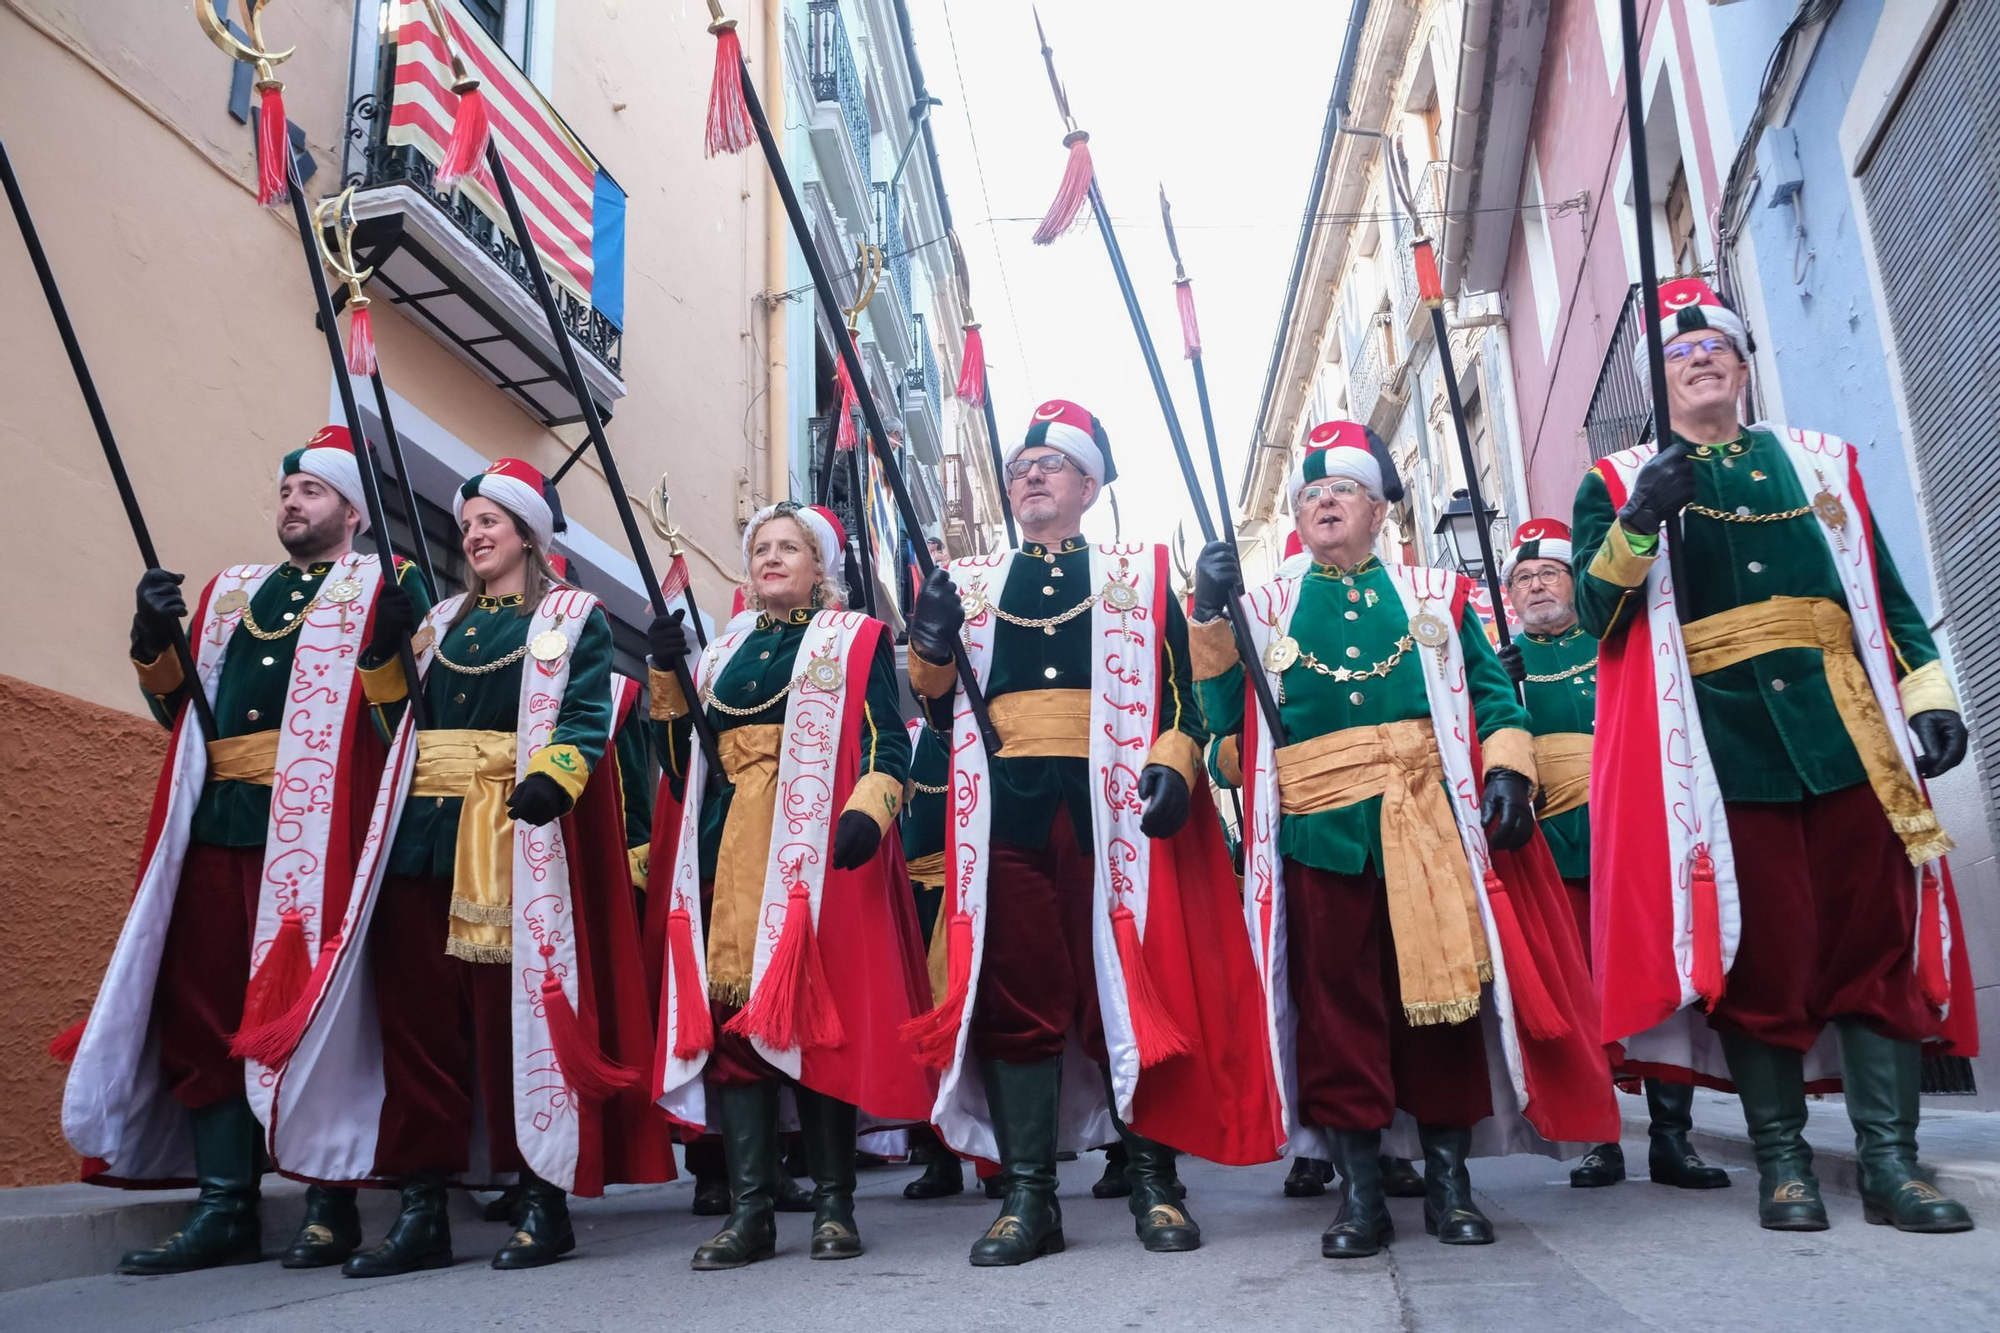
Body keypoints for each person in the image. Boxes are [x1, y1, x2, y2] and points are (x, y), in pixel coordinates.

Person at [1571, 279, 1977, 1233]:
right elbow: (1597, 614)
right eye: (1678, 353)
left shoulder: (1822, 464)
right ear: (1658, 382)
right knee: (1764, 955)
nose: (1699, 358)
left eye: (1715, 345)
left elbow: (1883, 592)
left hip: (1849, 739)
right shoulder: (1622, 477)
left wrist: (1928, 692)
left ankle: (1892, 1164)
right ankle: (1783, 1164)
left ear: (1743, 366)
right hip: (1723, 747)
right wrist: (1638, 524)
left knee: (1874, 947)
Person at [1192, 420, 1617, 1260]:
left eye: (1340, 490)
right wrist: (1209, 614)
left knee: (1444, 1003)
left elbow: (1496, 698)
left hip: (1429, 824)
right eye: (1310, 494)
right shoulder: (1263, 604)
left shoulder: (1435, 595)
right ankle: (1359, 1192)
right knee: (1338, 1013)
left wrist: (1508, 774)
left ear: (1380, 508)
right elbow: (1222, 732)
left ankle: (1451, 1182)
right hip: (1319, 836)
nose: (1322, 503)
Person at [258, 457, 671, 1274]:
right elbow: (390, 716)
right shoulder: (439, 619)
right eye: (469, 522)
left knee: (509, 1021)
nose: (475, 534)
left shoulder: (570, 616)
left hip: (511, 833)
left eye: (491, 520)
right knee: (419, 1024)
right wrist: (385, 648)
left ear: (528, 533)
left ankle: (541, 1197)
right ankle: (422, 1206)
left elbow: (586, 714)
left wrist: (555, 779)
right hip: (420, 836)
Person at [902, 399, 1282, 1267]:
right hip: (1004, 799)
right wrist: (927, 640)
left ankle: (1154, 1178)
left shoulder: (1136, 571)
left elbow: (1184, 689)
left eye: (1051, 461)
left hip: (1113, 797)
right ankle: (1032, 1195)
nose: (1030, 472)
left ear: (1090, 483)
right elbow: (936, 696)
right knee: (1016, 989)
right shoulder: (971, 578)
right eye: (1021, 463)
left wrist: (1175, 759)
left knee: (1134, 982)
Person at [55, 426, 426, 1274]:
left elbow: (398, 717)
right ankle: (227, 1205)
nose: (293, 502)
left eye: (313, 491)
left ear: (354, 513)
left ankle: (329, 1199)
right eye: (287, 491)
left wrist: (389, 648)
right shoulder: (232, 593)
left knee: (309, 1008)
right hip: (219, 823)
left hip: (324, 826)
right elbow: (179, 713)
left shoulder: (383, 583)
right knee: (204, 1006)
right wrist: (153, 641)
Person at [650, 501, 934, 1268]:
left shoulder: (850, 640)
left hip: (812, 847)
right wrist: (667, 680)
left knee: (813, 1024)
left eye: (789, 548)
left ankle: (835, 1206)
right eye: (761, 549)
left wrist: (870, 812)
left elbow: (884, 740)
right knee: (734, 1034)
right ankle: (752, 1210)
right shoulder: (720, 655)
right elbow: (684, 766)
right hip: (725, 849)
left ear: (820, 568)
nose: (771, 559)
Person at [1492, 520, 1728, 1193]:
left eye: (1549, 574)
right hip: (1554, 846)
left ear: (1574, 581)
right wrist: (1497, 691)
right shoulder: (1498, 662)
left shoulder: (1616, 640)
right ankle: (1600, 1140)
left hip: (1634, 832)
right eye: (1523, 580)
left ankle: (1671, 1138)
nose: (1536, 586)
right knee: (1582, 992)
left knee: (1655, 981)